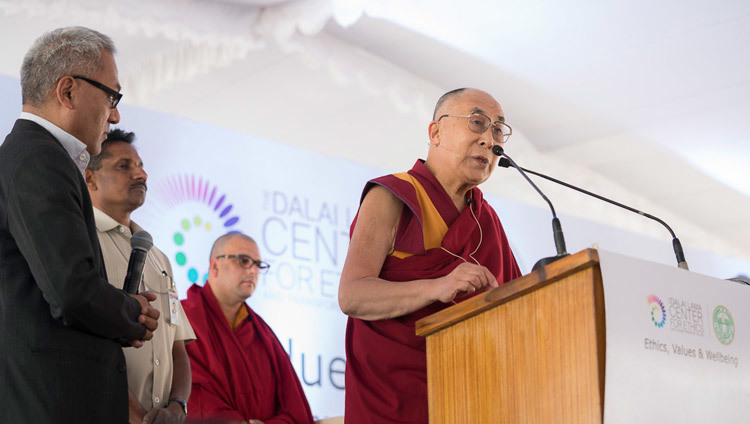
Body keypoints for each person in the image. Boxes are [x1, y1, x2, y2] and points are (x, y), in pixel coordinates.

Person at [0, 27, 160, 423]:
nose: (117, 113)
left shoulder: (37, 156)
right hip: (53, 403)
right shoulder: (40, 158)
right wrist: (132, 312)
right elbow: (72, 290)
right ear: (68, 91)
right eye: (112, 96)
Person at [338, 88, 522, 423]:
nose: (489, 141)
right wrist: (438, 287)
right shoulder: (392, 197)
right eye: (477, 122)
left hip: (470, 401)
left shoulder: (486, 220)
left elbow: (517, 311)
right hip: (395, 403)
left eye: (498, 130)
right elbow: (352, 295)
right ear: (435, 132)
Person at [86, 128, 196, 424]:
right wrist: (134, 414)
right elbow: (88, 340)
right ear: (90, 178)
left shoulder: (158, 257)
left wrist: (177, 407)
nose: (141, 175)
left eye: (141, 166)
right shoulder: (81, 243)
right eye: (124, 166)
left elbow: (178, 348)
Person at [182, 232, 314, 424]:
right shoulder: (185, 319)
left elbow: (295, 411)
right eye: (243, 261)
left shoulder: (264, 336)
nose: (253, 271)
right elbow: (185, 394)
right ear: (215, 265)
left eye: (258, 265)